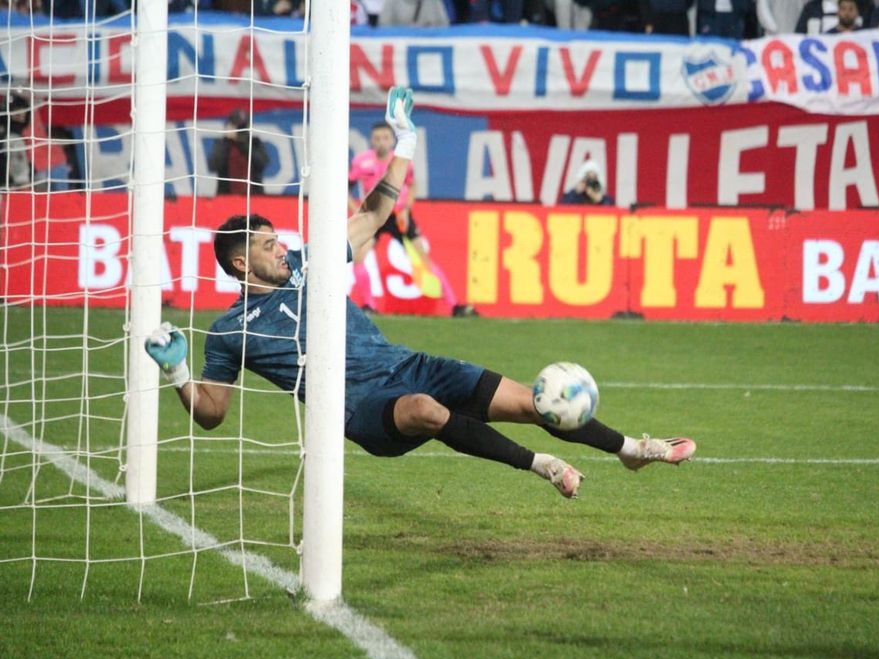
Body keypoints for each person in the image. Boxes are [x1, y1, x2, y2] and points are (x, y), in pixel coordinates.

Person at [144, 87, 696, 500]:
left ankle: (632, 450)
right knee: (427, 411)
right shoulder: (230, 331)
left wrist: (404, 139)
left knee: (534, 402)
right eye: (269, 245)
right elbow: (213, 413)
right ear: (242, 263)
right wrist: (178, 374)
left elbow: (376, 212)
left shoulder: (312, 262)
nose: (283, 247)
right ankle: (543, 467)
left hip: (412, 363)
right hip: (364, 409)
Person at [348, 120, 476, 317]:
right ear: (371, 141)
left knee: (423, 258)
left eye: (385, 138)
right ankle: (368, 306)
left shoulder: (400, 161)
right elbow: (345, 187)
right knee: (358, 258)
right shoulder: (361, 162)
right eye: (377, 138)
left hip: (399, 215)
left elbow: (411, 185)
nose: (381, 142)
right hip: (374, 216)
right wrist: (356, 209)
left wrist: (407, 209)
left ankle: (454, 305)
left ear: (392, 140)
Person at [208, 108, 270, 196]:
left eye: (242, 127)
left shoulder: (255, 143)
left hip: (254, 196)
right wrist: (227, 141)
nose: (239, 130)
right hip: (226, 196)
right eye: (236, 126)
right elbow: (213, 165)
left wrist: (244, 144)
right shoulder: (223, 143)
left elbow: (262, 163)